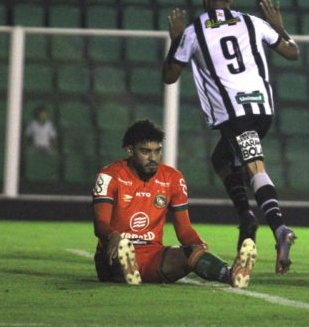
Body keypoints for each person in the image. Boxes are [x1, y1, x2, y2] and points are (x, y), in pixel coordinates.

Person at [162, 0, 300, 274]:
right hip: (262, 111)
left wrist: (174, 41)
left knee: (254, 167)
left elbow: (170, 76)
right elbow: (292, 52)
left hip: (234, 113)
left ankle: (278, 228)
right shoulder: (252, 22)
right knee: (222, 159)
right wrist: (279, 28)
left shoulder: (194, 30)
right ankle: (246, 217)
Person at [92, 119, 256, 287]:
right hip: (113, 253)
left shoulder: (173, 178)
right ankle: (127, 266)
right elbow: (100, 223)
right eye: (145, 152)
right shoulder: (110, 176)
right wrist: (114, 236)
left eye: (157, 151)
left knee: (190, 253)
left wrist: (199, 248)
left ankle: (231, 274)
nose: (152, 158)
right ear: (130, 150)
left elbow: (184, 229)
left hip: (153, 254)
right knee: (121, 253)